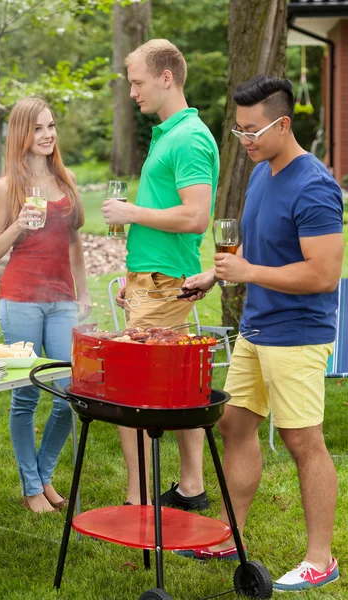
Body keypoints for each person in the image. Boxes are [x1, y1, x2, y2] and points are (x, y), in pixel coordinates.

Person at [179, 76, 343, 593]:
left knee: (302, 441)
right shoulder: (262, 173)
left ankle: (321, 558)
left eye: (253, 130)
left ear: (284, 123)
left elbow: (323, 275)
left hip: (297, 333)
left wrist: (248, 275)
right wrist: (218, 273)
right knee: (235, 426)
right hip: (256, 328)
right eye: (239, 129)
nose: (244, 139)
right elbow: (255, 250)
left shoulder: (314, 185)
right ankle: (232, 535)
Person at [102, 39, 219, 509]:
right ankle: (190, 489)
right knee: (181, 385)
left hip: (165, 282)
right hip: (155, 281)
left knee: (130, 391)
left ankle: (138, 501)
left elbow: (196, 217)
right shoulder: (173, 134)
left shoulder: (189, 138)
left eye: (137, 82)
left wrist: (131, 212)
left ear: (166, 78)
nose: (132, 93)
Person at [0, 97, 91, 513]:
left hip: (61, 299)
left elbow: (74, 244)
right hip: (21, 300)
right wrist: (18, 224)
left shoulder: (65, 181)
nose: (47, 135)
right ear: (21, 134)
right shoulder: (6, 186)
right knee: (27, 397)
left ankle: (44, 476)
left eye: (51, 127)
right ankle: (32, 489)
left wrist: (82, 293)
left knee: (71, 392)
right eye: (38, 129)